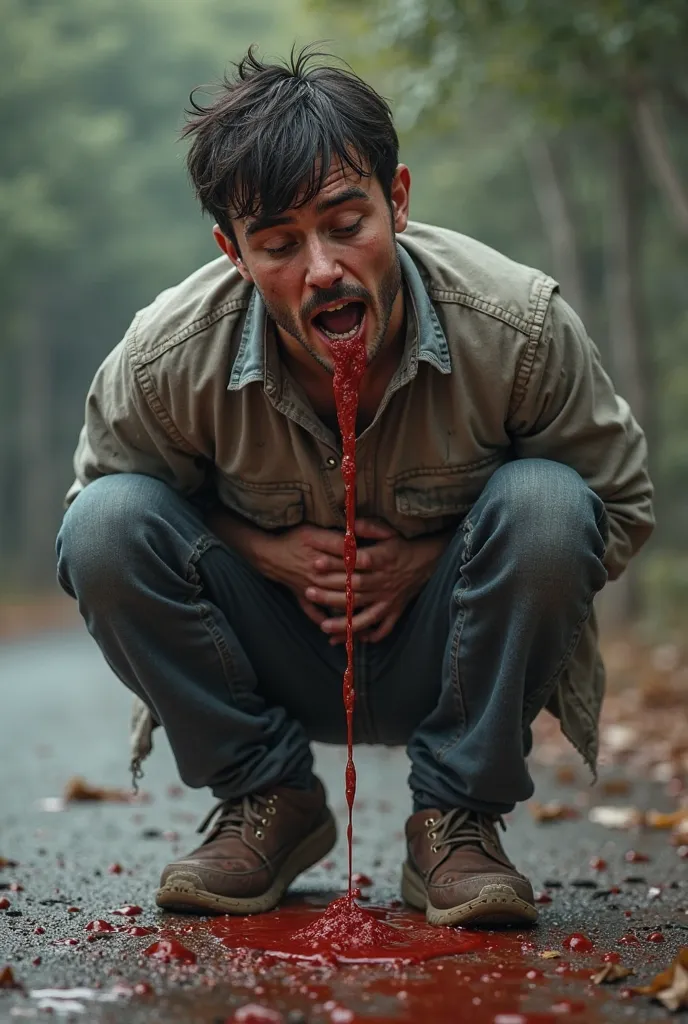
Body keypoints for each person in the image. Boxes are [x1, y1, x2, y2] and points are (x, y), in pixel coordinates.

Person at [56, 45, 654, 928]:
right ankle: (268, 802)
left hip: (450, 654)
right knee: (106, 527)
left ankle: (456, 821)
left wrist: (429, 561)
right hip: (273, 655)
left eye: (347, 223)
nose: (323, 269)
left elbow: (620, 503)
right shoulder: (163, 359)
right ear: (232, 252)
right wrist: (259, 550)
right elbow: (91, 529)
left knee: (551, 504)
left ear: (398, 199)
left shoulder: (517, 326)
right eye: (278, 245)